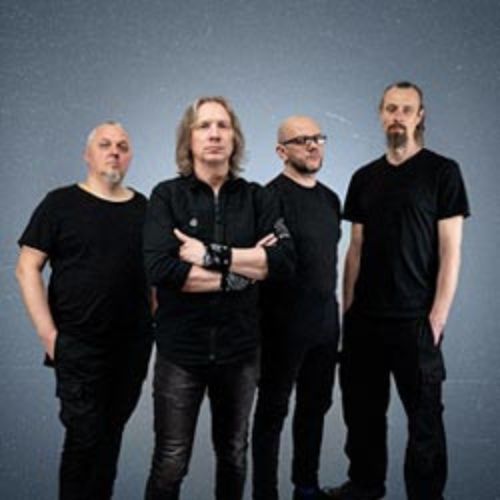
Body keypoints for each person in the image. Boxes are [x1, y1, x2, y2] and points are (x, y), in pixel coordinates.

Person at [143, 96, 295, 500]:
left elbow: (283, 262)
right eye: (204, 126)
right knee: (171, 461)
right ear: (189, 139)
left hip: (239, 354)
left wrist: (211, 256)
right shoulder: (166, 196)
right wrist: (244, 272)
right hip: (180, 354)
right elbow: (161, 270)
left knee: (234, 455)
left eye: (223, 126)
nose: (214, 134)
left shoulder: (258, 198)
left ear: (235, 139)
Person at [327, 82, 470, 500]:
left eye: (407, 109)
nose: (398, 116)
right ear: (380, 114)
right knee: (362, 416)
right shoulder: (364, 177)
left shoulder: (442, 172)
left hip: (415, 320)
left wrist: (437, 317)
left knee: (424, 423)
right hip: (365, 322)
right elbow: (355, 249)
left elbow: (451, 250)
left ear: (420, 116)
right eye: (391, 108)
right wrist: (348, 314)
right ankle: (365, 486)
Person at [15, 121, 153, 500]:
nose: (114, 152)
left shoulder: (144, 208)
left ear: (130, 156)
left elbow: (155, 277)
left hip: (132, 349)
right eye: (105, 145)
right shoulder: (60, 204)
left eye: (122, 146)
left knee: (110, 439)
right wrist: (49, 336)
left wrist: (152, 322)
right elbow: (27, 268)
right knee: (84, 440)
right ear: (87, 155)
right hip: (78, 346)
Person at [252, 116, 341, 500]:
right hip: (280, 326)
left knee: (315, 408)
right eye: (302, 140)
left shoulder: (331, 199)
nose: (313, 145)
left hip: (325, 325)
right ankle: (265, 493)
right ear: (281, 151)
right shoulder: (267, 198)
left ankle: (306, 487)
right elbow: (263, 263)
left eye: (318, 138)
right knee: (272, 413)